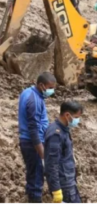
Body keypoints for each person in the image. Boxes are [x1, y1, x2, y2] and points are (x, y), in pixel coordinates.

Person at [18, 72, 56, 203]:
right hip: (32, 143)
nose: (52, 90)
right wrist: (43, 154)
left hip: (28, 141)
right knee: (37, 179)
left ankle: (30, 197)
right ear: (41, 85)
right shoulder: (34, 101)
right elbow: (33, 131)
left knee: (32, 172)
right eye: (50, 87)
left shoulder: (28, 92)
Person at [44, 101, 84, 203]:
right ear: (67, 115)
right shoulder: (56, 134)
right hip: (64, 185)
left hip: (69, 181)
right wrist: (56, 189)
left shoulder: (63, 129)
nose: (77, 120)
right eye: (76, 117)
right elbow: (51, 164)